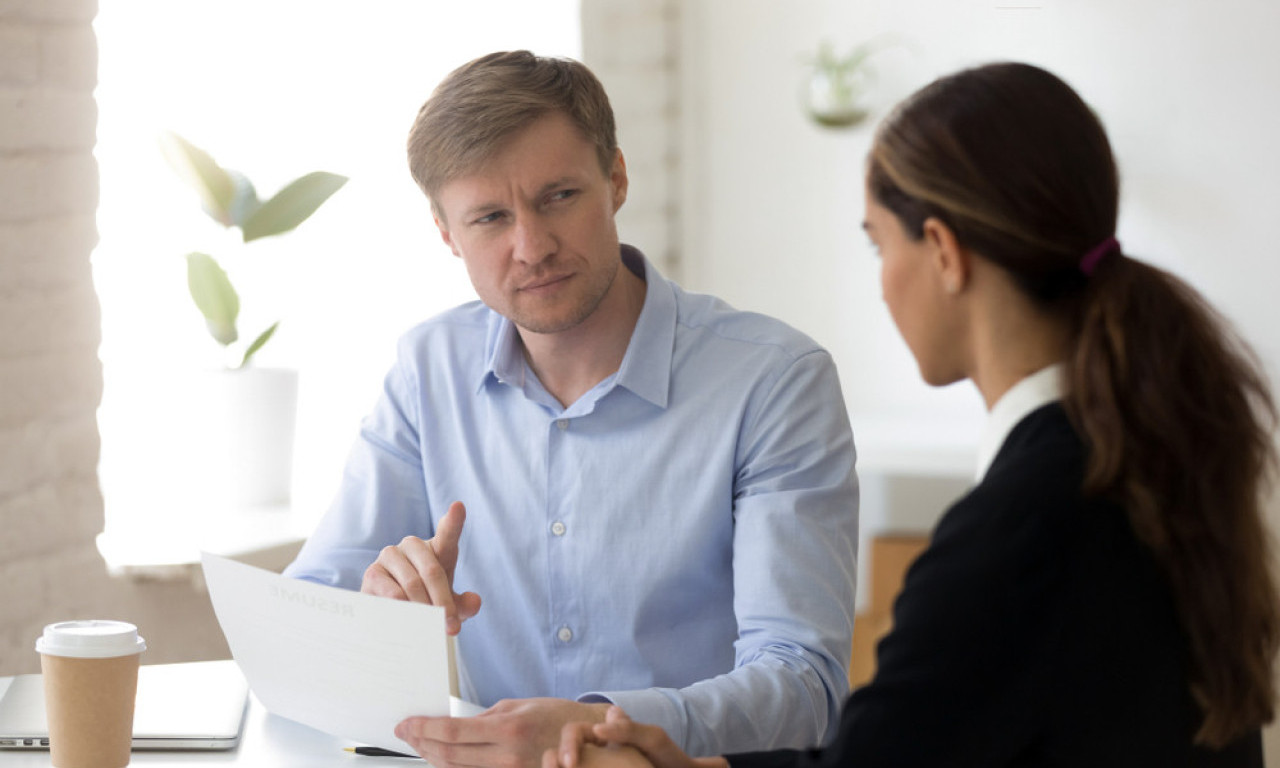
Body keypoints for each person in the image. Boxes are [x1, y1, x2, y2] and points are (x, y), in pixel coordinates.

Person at [545, 61, 1280, 768]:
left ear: (943, 252)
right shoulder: (1142, 456)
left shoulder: (1022, 527)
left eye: (878, 244)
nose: (884, 284)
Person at [282, 50, 860, 767]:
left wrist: (596, 728)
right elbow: (306, 618)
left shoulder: (773, 381)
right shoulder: (428, 369)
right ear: (446, 233)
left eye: (558, 196)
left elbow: (804, 684)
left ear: (616, 179)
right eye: (490, 217)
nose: (532, 248)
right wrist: (373, 618)